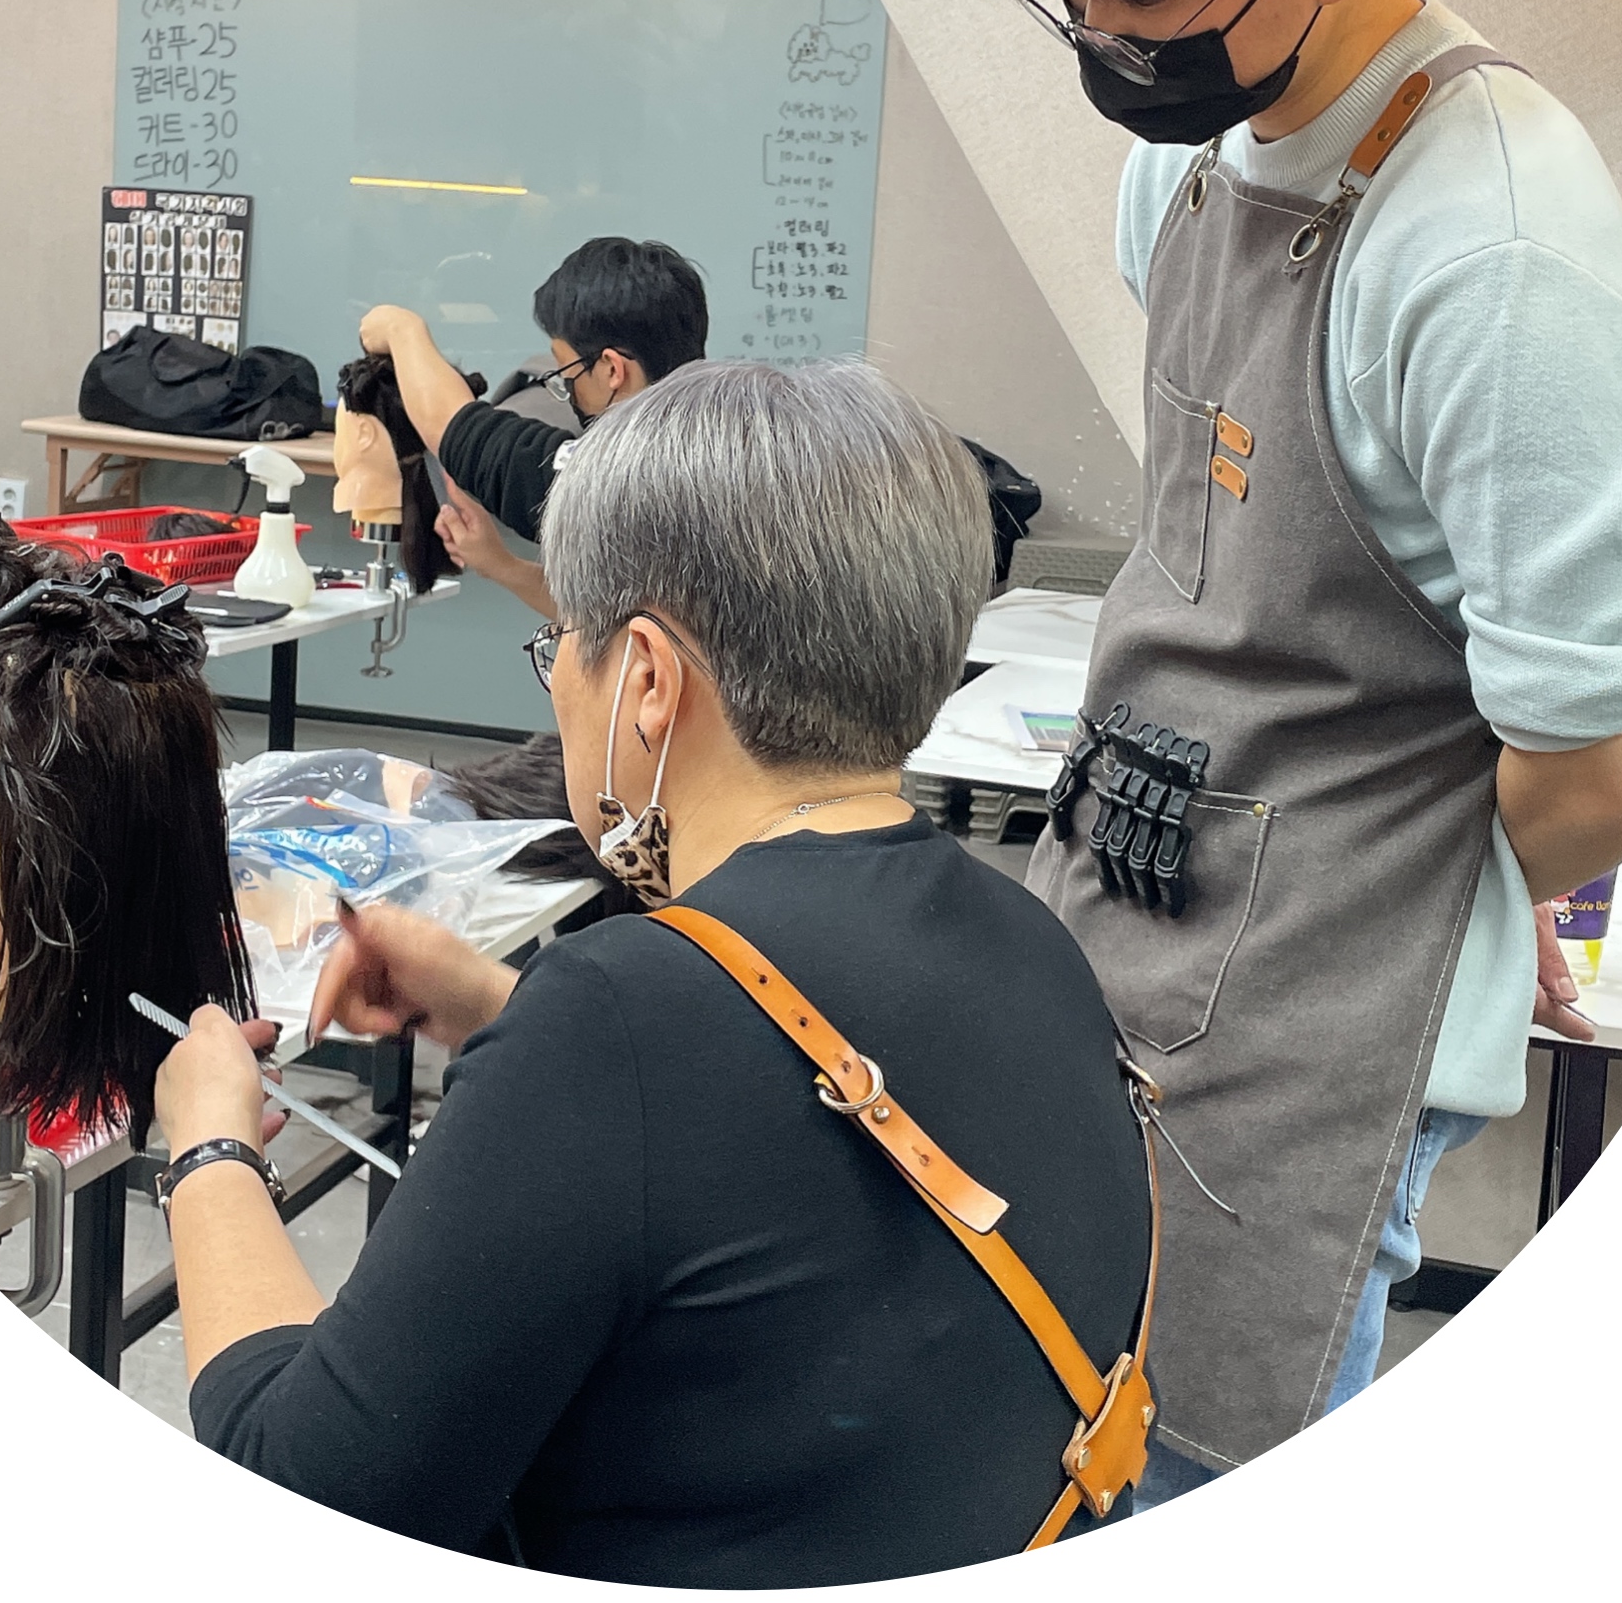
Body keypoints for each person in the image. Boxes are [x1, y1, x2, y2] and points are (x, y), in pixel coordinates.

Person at [966, 0, 1622, 1497]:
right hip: (1119, 898)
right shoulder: (1193, 156)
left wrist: (1425, 899)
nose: (1108, 49)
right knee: (1035, 1428)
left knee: (1196, 1478)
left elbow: (1611, 764)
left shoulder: (1496, 257)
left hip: (1304, 1035)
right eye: (1081, 5)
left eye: (1145, 7)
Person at [149, 360, 1156, 1583]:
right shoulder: (1035, 940)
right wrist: (497, 1010)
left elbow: (302, 1489)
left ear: (646, 679)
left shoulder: (619, 1023)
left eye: (559, 648)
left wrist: (209, 1148)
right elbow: (768, 1158)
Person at [356, 236, 709, 617]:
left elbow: (456, 429)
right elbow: (621, 616)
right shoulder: (720, 449)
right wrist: (502, 566)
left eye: (568, 372)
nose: (567, 389)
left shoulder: (627, 477)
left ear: (611, 369)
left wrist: (403, 330)